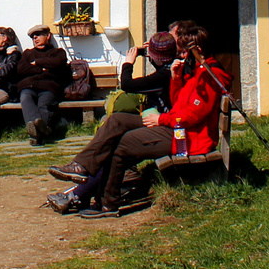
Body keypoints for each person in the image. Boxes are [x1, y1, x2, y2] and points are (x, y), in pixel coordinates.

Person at [82, 25, 231, 218]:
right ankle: (84, 170)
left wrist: (162, 119)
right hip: (180, 130)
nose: (182, 55)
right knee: (117, 121)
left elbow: (194, 115)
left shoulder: (210, 76)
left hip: (188, 139)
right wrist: (176, 80)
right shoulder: (198, 70)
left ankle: (107, 205)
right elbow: (180, 105)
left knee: (122, 144)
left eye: (185, 51)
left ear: (198, 50)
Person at [11, 24, 70, 145]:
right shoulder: (28, 53)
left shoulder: (57, 52)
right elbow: (21, 69)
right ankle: (42, 129)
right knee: (25, 98)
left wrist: (36, 62)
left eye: (38, 35)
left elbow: (58, 63)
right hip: (28, 86)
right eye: (33, 37)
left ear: (48, 36)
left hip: (48, 87)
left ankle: (36, 134)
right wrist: (41, 69)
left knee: (44, 104)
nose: (35, 38)